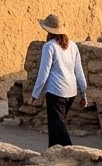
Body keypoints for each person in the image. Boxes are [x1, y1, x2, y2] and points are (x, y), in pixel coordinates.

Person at [31, 14, 87, 147]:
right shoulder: (72, 45)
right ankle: (53, 152)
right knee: (55, 126)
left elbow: (43, 73)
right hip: (71, 92)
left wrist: (34, 94)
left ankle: (71, 151)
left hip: (56, 92)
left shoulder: (49, 46)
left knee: (58, 125)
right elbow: (79, 71)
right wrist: (83, 93)